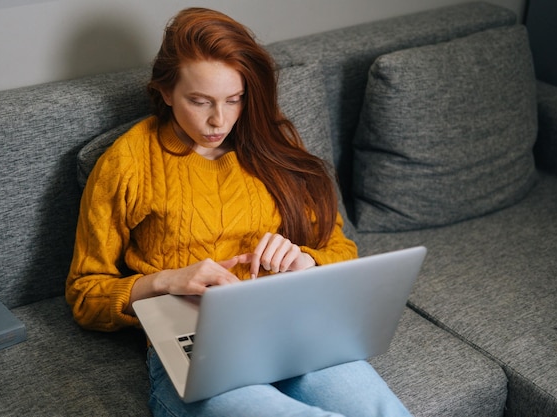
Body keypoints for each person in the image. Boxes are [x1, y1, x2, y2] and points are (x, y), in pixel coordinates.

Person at [66, 7, 412, 417]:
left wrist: (306, 260)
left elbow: (340, 249)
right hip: (195, 341)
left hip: (290, 327)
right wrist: (166, 281)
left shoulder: (272, 146)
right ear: (165, 92)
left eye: (235, 100)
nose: (219, 120)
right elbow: (85, 293)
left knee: (380, 409)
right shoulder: (127, 163)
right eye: (199, 101)